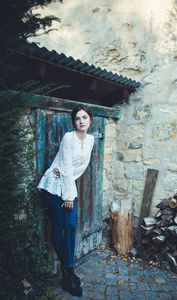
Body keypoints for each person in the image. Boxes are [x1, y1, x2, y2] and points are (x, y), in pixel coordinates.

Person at [37, 105, 94, 297]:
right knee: (59, 226)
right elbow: (67, 165)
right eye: (78, 118)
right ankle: (69, 274)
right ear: (74, 122)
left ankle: (67, 272)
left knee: (70, 227)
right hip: (53, 186)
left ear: (90, 120)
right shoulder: (69, 137)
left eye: (85, 117)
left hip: (66, 182)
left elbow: (80, 167)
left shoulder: (91, 139)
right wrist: (68, 195)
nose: (81, 121)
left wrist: (67, 185)